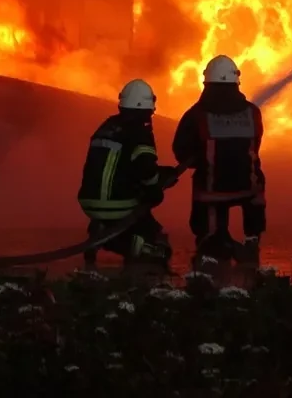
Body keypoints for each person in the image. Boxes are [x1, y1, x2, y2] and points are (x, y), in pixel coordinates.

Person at [172, 55, 267, 265]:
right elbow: (255, 145)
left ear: (207, 84)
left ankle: (215, 243)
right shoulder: (253, 112)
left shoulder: (196, 114)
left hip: (212, 189)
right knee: (256, 178)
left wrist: (202, 157)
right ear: (236, 83)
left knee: (209, 224)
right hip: (248, 187)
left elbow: (180, 151)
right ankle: (252, 239)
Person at [78, 79, 176, 269]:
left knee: (143, 218)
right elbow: (146, 171)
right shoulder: (140, 131)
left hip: (89, 201)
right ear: (146, 108)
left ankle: (101, 228)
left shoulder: (107, 125)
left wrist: (161, 173)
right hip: (116, 204)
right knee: (158, 246)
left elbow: (125, 164)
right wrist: (156, 188)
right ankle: (125, 244)